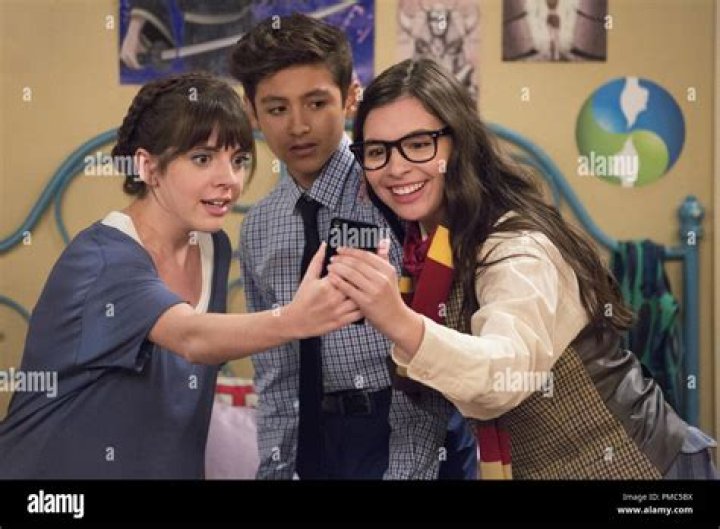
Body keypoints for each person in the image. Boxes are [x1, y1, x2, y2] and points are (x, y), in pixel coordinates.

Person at [328, 58, 719, 479]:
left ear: (460, 145)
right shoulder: (427, 247)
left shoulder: (517, 245)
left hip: (644, 465)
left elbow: (502, 376)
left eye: (419, 144)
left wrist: (397, 320)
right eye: (377, 151)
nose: (396, 167)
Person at [0, 72, 358, 479]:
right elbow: (191, 338)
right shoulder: (102, 259)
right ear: (148, 166)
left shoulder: (212, 245)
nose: (229, 180)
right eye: (202, 158)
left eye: (238, 160)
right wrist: (295, 319)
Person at [230, 14, 476, 480]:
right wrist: (277, 470)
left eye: (316, 102)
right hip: (319, 436)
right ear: (252, 112)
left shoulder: (397, 190)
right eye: (277, 108)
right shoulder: (258, 227)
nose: (298, 126)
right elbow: (276, 374)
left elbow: (434, 347)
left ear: (350, 98)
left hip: (415, 429)